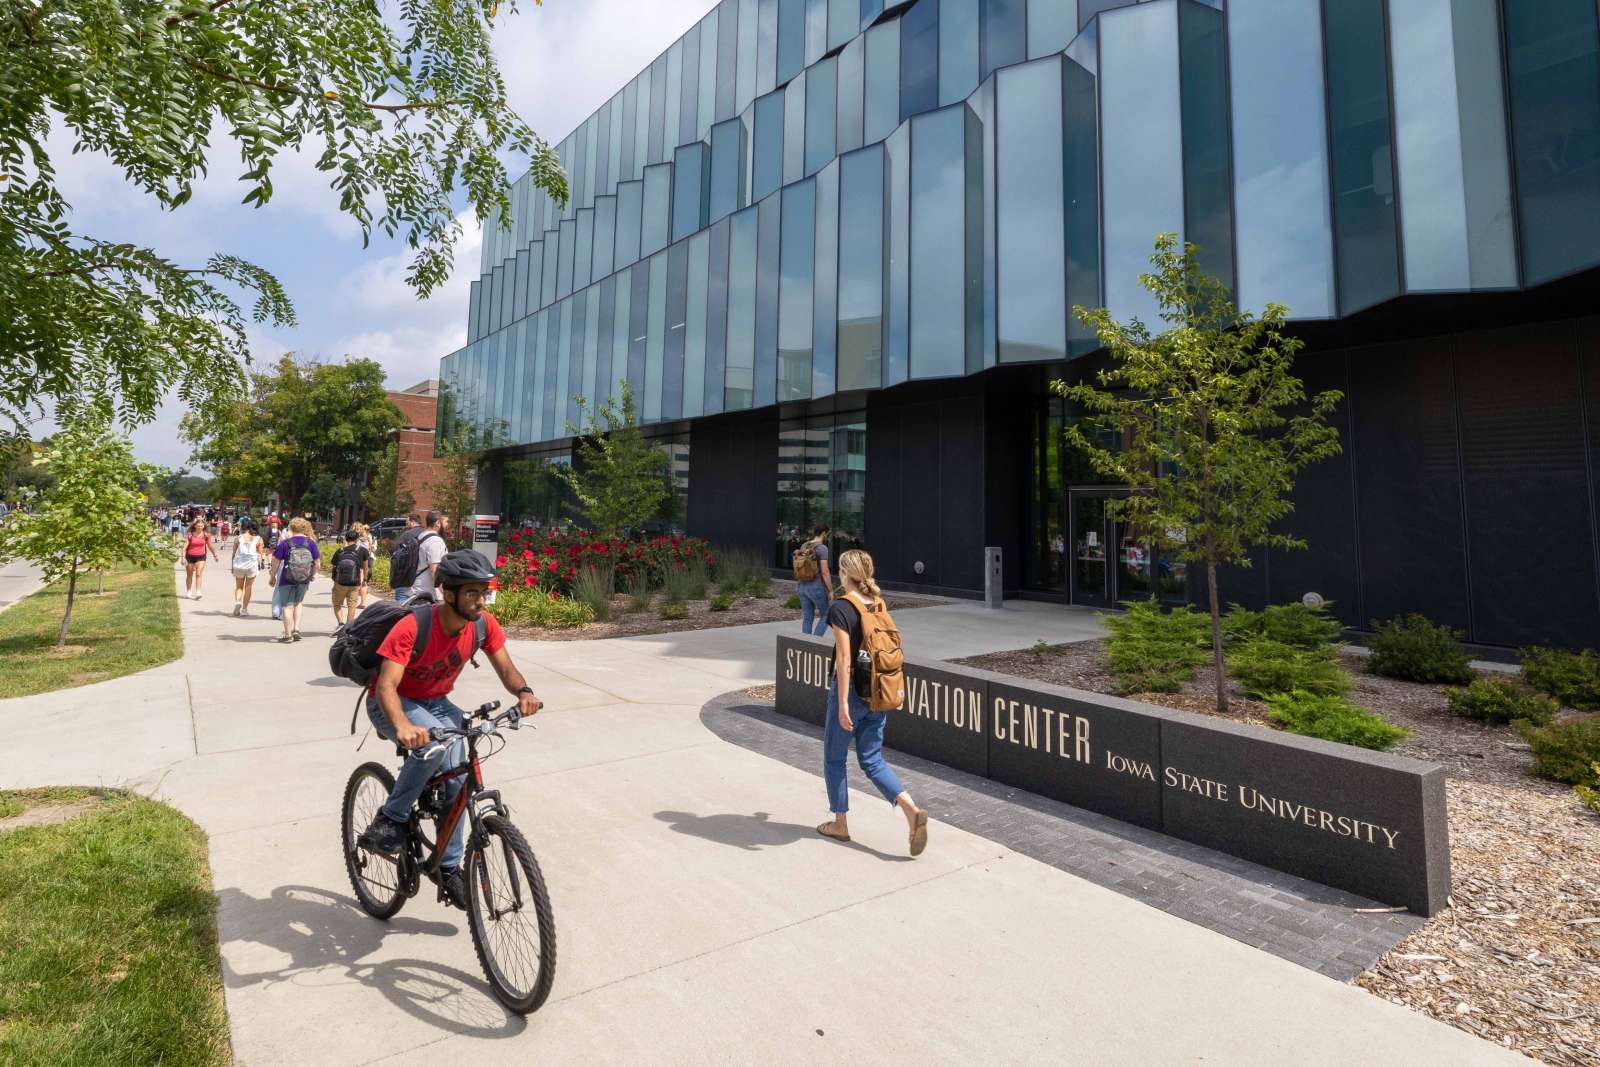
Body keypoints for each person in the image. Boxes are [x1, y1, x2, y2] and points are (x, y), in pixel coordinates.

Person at [357, 549, 544, 908]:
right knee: (432, 747)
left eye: (484, 591)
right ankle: (390, 819)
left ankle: (448, 867)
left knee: (461, 778)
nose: (480, 600)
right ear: (449, 592)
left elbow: (506, 668)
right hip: (393, 701)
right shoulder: (413, 626)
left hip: (437, 702)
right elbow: (385, 687)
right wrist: (403, 725)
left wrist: (524, 692)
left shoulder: (483, 625)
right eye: (471, 592)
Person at [816, 549, 928, 857]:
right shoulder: (877, 604)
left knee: (834, 758)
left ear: (844, 573)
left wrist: (841, 703)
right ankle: (910, 807)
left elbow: (843, 658)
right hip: (879, 692)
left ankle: (840, 824)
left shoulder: (841, 607)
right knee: (872, 759)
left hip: (851, 692)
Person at [268, 516, 320, 642]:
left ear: (291, 528)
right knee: (298, 603)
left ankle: (287, 634)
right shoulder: (310, 543)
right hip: (303, 578)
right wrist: (313, 574)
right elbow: (317, 563)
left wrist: (272, 576)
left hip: (287, 578)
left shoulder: (286, 543)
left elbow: (275, 561)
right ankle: (296, 629)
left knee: (287, 605)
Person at [329, 529, 372, 633]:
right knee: (352, 605)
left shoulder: (340, 551)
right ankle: (348, 628)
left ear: (346, 539)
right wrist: (365, 580)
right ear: (357, 540)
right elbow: (366, 567)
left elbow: (334, 566)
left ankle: (340, 623)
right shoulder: (363, 550)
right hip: (355, 582)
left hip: (340, 583)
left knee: (337, 604)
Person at [794, 523, 832, 636]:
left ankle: (806, 646)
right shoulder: (822, 548)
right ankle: (815, 643)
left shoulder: (804, 546)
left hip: (801, 586)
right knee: (826, 614)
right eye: (827, 534)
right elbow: (825, 572)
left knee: (807, 617)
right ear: (824, 533)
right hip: (816, 586)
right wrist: (831, 590)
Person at [406, 511, 450, 603]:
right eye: (446, 522)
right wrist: (446, 592)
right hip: (428, 593)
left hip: (417, 588)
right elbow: (434, 569)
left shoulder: (422, 536)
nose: (447, 525)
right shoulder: (435, 541)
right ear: (438, 523)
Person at [231, 520, 266, 616]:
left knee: (239, 587)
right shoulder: (259, 539)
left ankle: (238, 601)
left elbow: (234, 554)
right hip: (251, 566)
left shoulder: (238, 538)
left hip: (239, 565)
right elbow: (260, 554)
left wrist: (232, 566)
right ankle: (244, 609)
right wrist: (262, 563)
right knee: (248, 587)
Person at [389, 513, 424, 602]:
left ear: (412, 522)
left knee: (401, 600)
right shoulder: (426, 534)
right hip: (422, 577)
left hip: (406, 575)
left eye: (407, 522)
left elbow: (396, 553)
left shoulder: (407, 534)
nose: (406, 525)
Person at [182, 518, 218, 600]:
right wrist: (183, 557)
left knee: (198, 573)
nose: (200, 527)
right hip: (189, 556)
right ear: (194, 526)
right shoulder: (190, 535)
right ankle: (189, 591)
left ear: (204, 526)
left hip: (201, 556)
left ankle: (198, 591)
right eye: (198, 526)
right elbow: (184, 547)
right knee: (189, 574)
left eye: (201, 526)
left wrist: (215, 554)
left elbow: (209, 545)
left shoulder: (206, 535)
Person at [354, 522, 377, 610]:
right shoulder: (369, 538)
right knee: (364, 581)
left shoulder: (357, 539)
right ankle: (363, 602)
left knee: (357, 581)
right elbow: (371, 550)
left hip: (358, 561)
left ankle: (354, 600)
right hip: (367, 560)